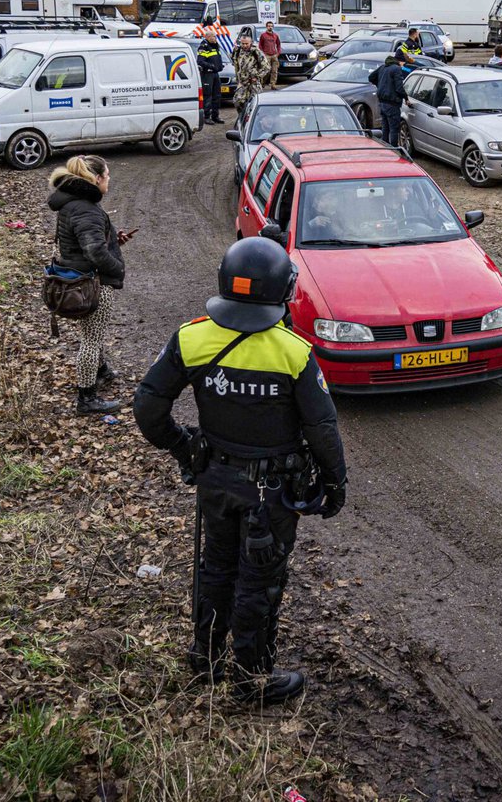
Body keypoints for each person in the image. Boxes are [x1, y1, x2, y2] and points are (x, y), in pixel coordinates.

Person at [133, 236, 348, 705]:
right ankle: (253, 678)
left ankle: (205, 659)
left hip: (214, 478)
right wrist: (335, 484)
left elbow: (148, 406)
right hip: (271, 493)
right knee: (260, 580)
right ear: (282, 291)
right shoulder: (293, 352)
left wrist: (182, 446)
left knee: (216, 566)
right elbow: (322, 428)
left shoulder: (191, 337)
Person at [47, 155, 132, 415]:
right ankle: (87, 398)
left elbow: (80, 240)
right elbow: (94, 252)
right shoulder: (86, 208)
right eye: (107, 175)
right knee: (91, 340)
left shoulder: (71, 203)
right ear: (96, 179)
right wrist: (117, 268)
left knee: (92, 331)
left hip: (77, 275)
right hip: (91, 282)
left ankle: (101, 370)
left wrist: (112, 239)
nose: (109, 180)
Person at [369, 54, 408, 147]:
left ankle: (385, 148)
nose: (403, 65)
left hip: (382, 103)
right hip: (392, 104)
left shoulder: (383, 67)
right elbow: (399, 88)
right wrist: (406, 97)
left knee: (385, 128)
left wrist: (381, 86)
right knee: (394, 129)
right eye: (403, 63)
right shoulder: (396, 69)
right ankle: (394, 150)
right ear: (399, 61)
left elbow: (371, 77)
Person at [231, 35, 270, 121]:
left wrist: (257, 76)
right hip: (242, 82)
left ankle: (255, 120)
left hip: (254, 82)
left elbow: (267, 67)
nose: (244, 45)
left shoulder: (256, 52)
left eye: (246, 44)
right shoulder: (237, 51)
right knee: (238, 101)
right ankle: (242, 118)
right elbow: (235, 65)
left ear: (250, 43)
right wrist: (238, 79)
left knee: (256, 102)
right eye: (242, 43)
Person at [196, 35, 225, 124]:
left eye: (215, 37)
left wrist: (219, 66)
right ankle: (206, 117)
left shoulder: (215, 46)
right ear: (207, 37)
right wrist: (211, 66)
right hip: (207, 74)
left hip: (215, 74)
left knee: (217, 95)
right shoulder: (203, 47)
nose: (214, 38)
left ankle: (215, 116)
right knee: (207, 96)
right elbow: (200, 61)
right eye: (212, 36)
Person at [258, 21, 282, 90]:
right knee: (266, 71)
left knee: (274, 71)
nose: (270, 27)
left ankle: (273, 84)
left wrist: (278, 53)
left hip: (274, 55)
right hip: (266, 55)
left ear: (273, 27)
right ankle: (262, 83)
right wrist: (263, 54)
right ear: (266, 27)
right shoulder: (263, 35)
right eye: (269, 26)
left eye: (271, 26)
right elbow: (260, 45)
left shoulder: (275, 35)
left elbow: (278, 44)